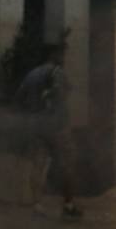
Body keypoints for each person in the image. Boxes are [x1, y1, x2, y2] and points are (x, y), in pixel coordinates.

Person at [12, 43, 81, 218]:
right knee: (68, 164)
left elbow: (19, 99)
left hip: (37, 126)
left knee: (38, 164)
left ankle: (37, 204)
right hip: (57, 126)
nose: (64, 58)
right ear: (55, 55)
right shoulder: (57, 72)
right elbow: (62, 93)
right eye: (61, 55)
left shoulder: (31, 74)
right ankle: (69, 205)